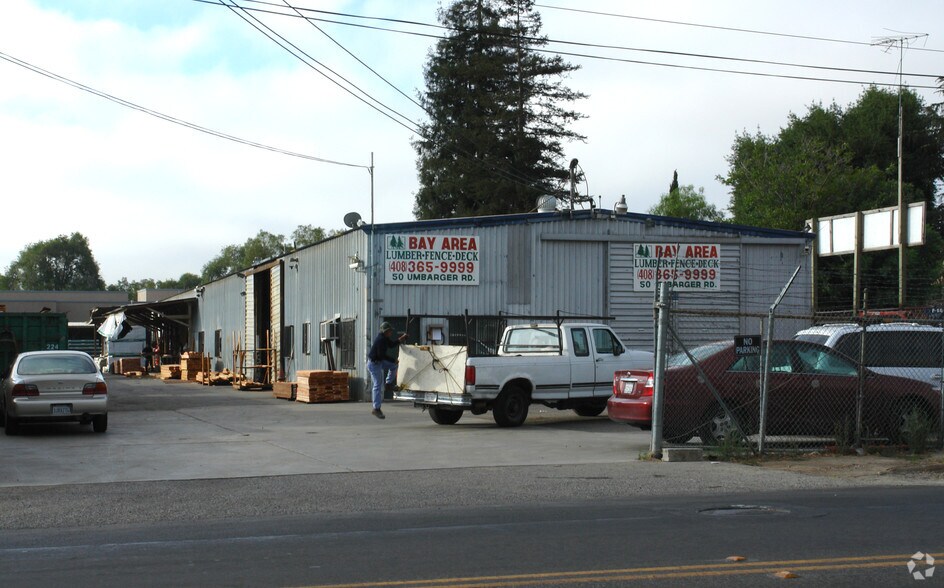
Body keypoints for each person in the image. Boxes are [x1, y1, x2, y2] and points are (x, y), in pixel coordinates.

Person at [366, 322, 406, 419]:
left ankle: (388, 384)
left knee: (393, 366)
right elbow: (381, 356)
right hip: (374, 364)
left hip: (379, 362)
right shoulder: (380, 340)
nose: (391, 333)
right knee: (377, 385)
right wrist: (393, 359)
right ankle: (376, 408)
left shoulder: (384, 338)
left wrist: (400, 339)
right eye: (389, 331)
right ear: (386, 331)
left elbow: (391, 345)